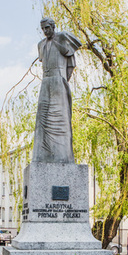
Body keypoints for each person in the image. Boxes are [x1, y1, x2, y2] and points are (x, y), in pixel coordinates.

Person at [31, 17, 82, 163]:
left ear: (53, 26)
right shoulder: (41, 45)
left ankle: (62, 154)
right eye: (43, 29)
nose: (46, 31)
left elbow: (70, 61)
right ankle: (43, 154)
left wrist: (62, 80)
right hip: (45, 82)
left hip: (59, 81)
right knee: (43, 118)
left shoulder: (62, 37)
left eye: (48, 27)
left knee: (60, 117)